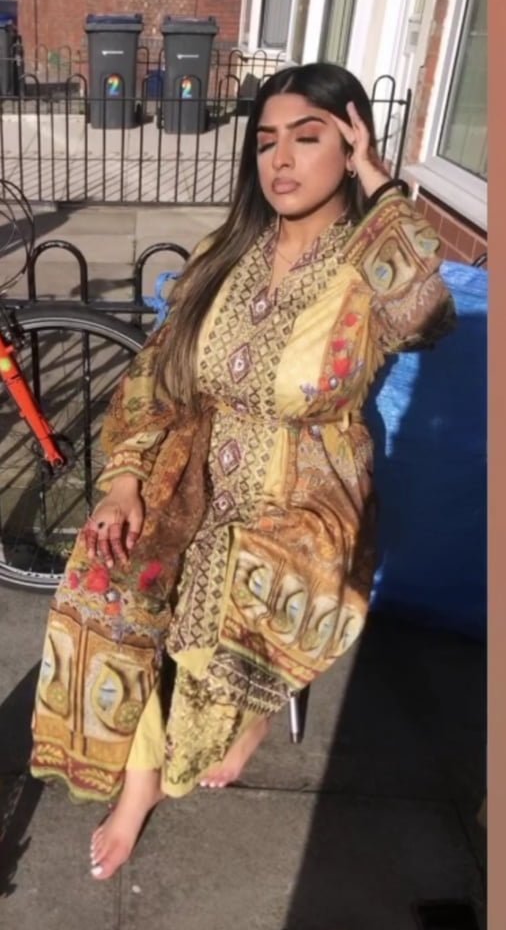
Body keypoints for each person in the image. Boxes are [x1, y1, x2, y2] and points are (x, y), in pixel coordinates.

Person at [30, 62, 455, 880]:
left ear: (350, 145)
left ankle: (239, 719)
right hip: (196, 469)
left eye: (309, 138)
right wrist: (126, 482)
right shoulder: (223, 255)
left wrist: (379, 184)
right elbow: (157, 377)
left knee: (209, 602)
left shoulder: (366, 268)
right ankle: (141, 779)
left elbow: (428, 312)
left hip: (306, 499)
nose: (281, 160)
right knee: (109, 571)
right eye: (266, 142)